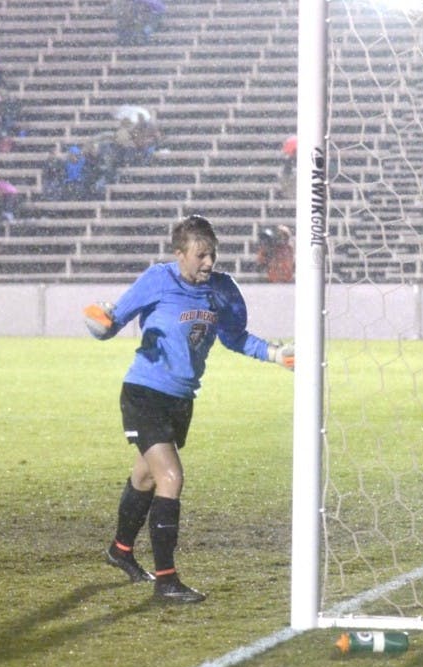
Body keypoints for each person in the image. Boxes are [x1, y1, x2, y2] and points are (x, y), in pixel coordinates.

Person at [83, 214, 295, 603]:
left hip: (181, 400)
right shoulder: (158, 279)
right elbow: (115, 321)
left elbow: (235, 337)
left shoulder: (223, 290)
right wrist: (100, 321)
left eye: (212, 255)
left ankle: (120, 550)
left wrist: (275, 354)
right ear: (180, 254)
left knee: (146, 478)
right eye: (200, 256)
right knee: (171, 477)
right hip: (144, 393)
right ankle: (167, 580)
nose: (209, 263)